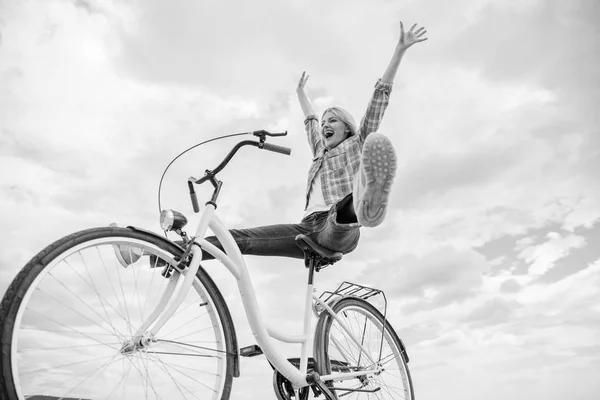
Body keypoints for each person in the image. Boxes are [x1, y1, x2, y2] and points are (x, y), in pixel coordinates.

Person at [115, 21, 427, 265]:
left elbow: (377, 103)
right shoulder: (320, 151)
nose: (327, 124)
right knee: (239, 239)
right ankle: (144, 252)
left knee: (342, 214)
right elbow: (310, 122)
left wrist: (399, 52)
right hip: (307, 227)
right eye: (326, 120)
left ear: (347, 127)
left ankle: (368, 200)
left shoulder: (358, 143)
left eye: (334, 120)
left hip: (339, 227)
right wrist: (301, 95)